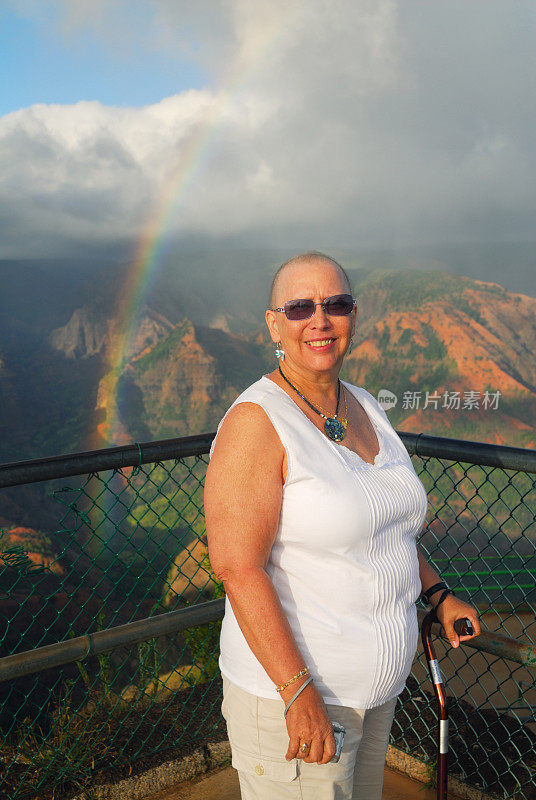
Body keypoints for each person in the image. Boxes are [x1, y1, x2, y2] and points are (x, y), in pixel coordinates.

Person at [205, 251, 480, 800]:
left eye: (336, 304)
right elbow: (237, 568)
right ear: (273, 322)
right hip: (302, 703)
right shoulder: (256, 423)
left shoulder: (364, 405)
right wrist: (296, 693)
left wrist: (438, 593)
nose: (320, 320)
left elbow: (387, 528)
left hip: (374, 697)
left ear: (354, 315)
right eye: (301, 307)